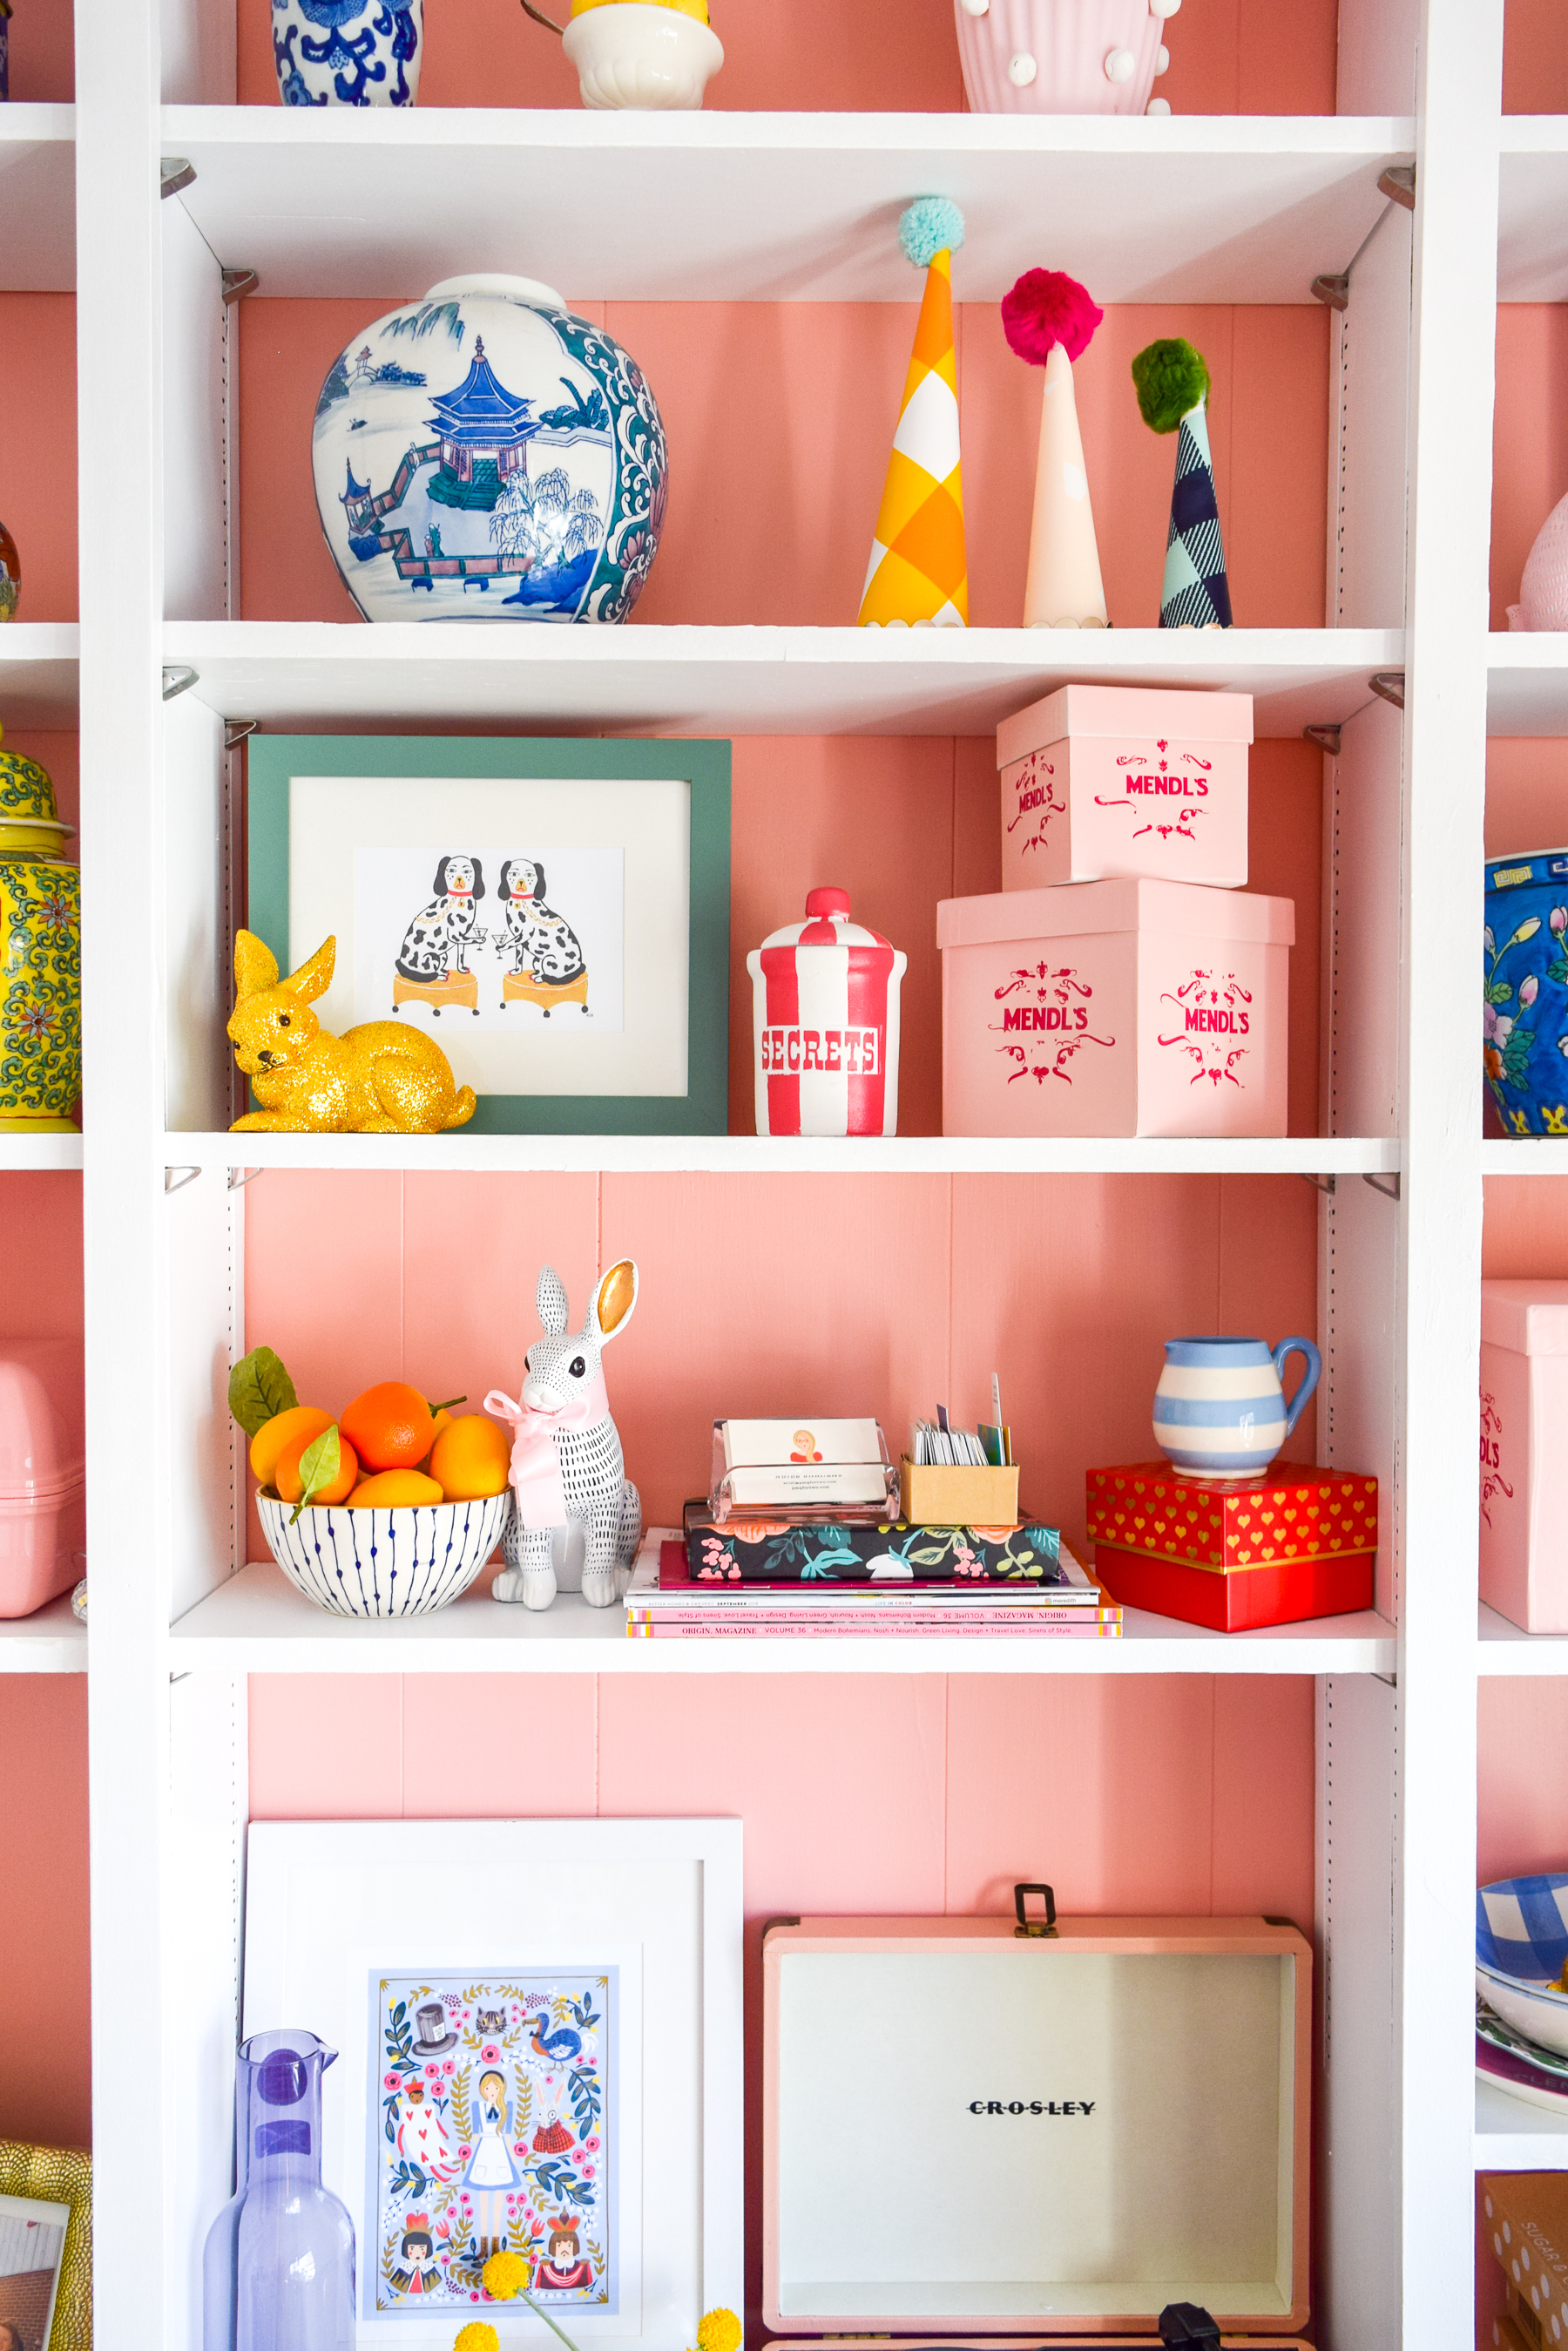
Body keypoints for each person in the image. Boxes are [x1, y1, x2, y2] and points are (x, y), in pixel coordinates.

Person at [459, 2069, 522, 2260]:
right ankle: (483, 2245)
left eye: (495, 2087)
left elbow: (508, 2137)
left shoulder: (507, 2108)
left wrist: (513, 2159)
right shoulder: (477, 2107)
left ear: (501, 2089)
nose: (491, 2091)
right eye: (487, 2087)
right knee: (483, 2201)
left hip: (500, 2153)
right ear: (482, 2089)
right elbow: (476, 2137)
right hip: (484, 2154)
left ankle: (496, 2245)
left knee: (498, 2202)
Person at [534, 2216, 591, 2293]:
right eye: (559, 2245)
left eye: (569, 2245)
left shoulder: (583, 2268)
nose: (564, 2250)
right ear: (554, 2247)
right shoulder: (545, 2268)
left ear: (574, 2247)